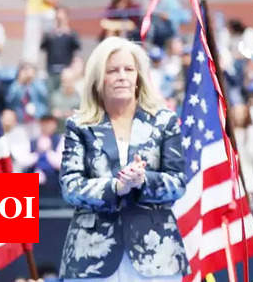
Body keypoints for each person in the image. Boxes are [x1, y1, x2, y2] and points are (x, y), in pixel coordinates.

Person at [58, 37, 187, 280]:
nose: (122, 76)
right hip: (91, 255)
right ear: (98, 78)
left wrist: (142, 181)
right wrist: (115, 186)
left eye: (129, 69)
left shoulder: (164, 121)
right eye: (112, 70)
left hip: (157, 255)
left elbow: (178, 183)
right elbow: (70, 187)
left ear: (139, 76)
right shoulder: (79, 125)